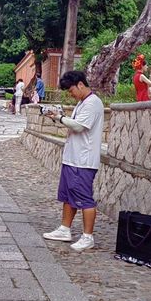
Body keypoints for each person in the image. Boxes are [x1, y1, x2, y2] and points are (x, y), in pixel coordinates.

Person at [42, 70, 104, 252]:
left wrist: (60, 118)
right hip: (73, 158)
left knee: (85, 198)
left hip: (83, 160)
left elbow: (79, 126)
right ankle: (65, 229)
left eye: (71, 90)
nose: (71, 94)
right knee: (68, 196)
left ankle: (87, 237)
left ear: (81, 85)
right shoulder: (82, 103)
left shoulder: (93, 103)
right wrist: (60, 118)